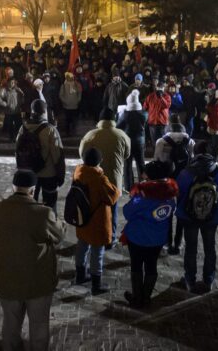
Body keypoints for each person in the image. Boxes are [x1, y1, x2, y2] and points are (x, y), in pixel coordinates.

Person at [0, 170, 66, 351]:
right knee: (39, 327)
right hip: (37, 283)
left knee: (10, 325)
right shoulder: (43, 213)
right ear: (33, 190)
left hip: (6, 279)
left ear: (13, 187)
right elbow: (59, 235)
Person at [175, 141, 218, 293]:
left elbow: (178, 193)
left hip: (189, 217)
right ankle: (208, 279)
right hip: (212, 216)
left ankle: (190, 279)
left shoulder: (187, 171)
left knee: (191, 248)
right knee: (210, 248)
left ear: (195, 153)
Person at [121, 160, 178, 308]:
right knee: (151, 266)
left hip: (138, 237)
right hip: (158, 239)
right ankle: (146, 297)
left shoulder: (142, 196)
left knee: (136, 266)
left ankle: (137, 298)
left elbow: (127, 212)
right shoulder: (170, 194)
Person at [79, 107, 131, 243]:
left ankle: (90, 237)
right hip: (114, 180)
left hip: (93, 179)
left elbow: (82, 154)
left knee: (92, 209)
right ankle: (110, 238)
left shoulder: (91, 135)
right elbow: (127, 154)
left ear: (100, 119)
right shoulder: (122, 135)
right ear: (114, 120)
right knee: (112, 210)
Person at [72, 148, 120, 294]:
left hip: (82, 218)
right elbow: (113, 196)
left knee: (82, 246)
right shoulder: (99, 178)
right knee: (97, 252)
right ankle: (96, 285)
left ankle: (80, 275)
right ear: (99, 162)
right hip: (98, 221)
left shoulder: (78, 172)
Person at [154, 114, 195, 255]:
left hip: (167, 181)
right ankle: (178, 243)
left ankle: (167, 241)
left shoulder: (161, 141)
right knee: (182, 211)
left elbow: (157, 160)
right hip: (185, 180)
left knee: (166, 211)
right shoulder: (190, 141)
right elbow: (192, 160)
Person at [16, 100, 66, 213]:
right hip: (48, 174)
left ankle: (31, 223)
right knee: (49, 206)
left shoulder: (23, 128)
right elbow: (57, 155)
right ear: (44, 112)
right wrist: (60, 176)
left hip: (28, 173)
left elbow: (18, 150)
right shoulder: (50, 129)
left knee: (29, 206)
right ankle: (48, 223)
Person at [117, 90, 147, 192]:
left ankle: (129, 186)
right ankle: (143, 183)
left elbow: (118, 126)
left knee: (127, 164)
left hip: (128, 142)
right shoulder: (143, 114)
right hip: (140, 142)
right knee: (141, 163)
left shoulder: (125, 114)